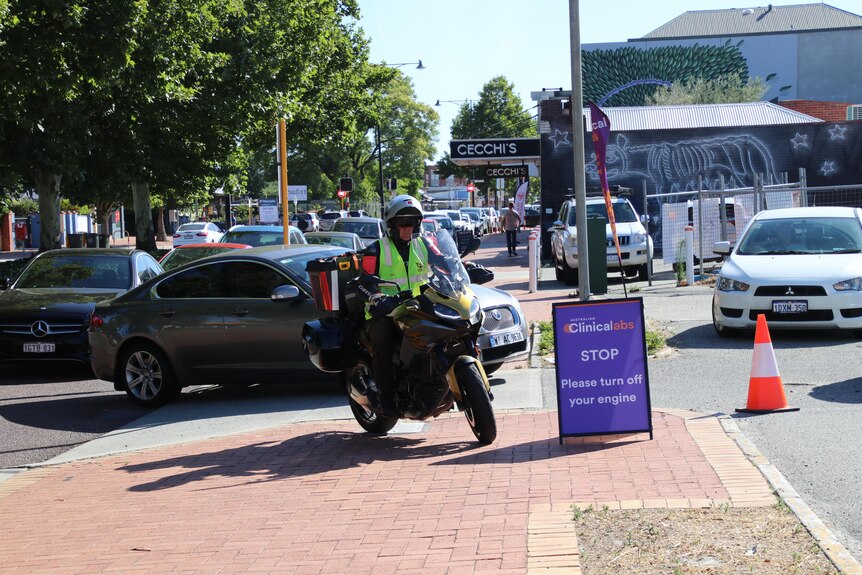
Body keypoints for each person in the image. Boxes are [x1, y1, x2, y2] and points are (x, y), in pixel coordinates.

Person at [357, 195, 431, 417]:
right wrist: (377, 297)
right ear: (392, 225)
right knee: (384, 340)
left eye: (412, 223)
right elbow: (363, 282)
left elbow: (444, 265)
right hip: (385, 312)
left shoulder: (423, 245)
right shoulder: (375, 249)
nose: (408, 229)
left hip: (416, 307)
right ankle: (386, 398)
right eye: (402, 224)